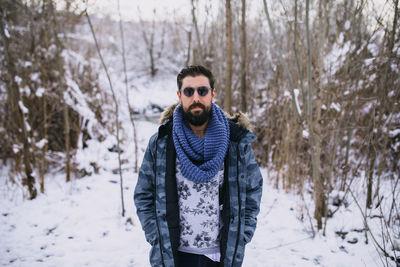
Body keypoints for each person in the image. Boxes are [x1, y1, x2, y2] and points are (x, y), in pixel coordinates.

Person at [134, 65, 263, 267]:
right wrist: (156, 236)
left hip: (220, 256)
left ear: (212, 94)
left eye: (202, 91)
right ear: (179, 95)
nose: (196, 97)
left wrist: (243, 234)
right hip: (173, 255)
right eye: (189, 91)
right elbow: (143, 194)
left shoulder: (235, 143)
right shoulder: (162, 142)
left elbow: (253, 188)